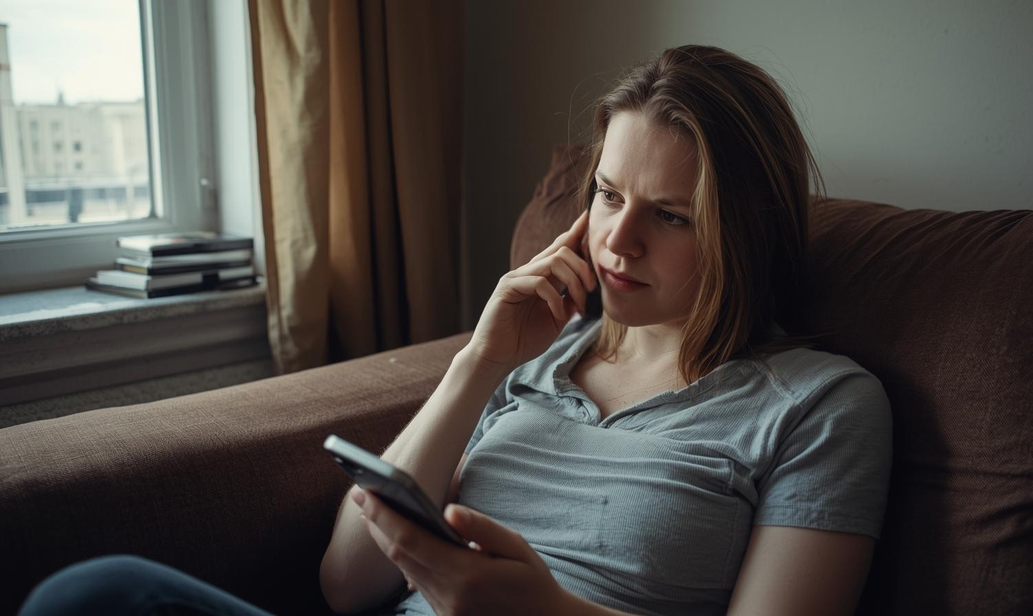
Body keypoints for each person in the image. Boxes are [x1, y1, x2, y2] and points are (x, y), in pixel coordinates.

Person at [18, 44, 891, 616]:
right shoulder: (538, 363)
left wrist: (539, 612)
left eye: (670, 216)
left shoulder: (819, 408)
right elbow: (347, 581)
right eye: (608, 196)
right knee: (94, 594)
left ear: (747, 229)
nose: (616, 242)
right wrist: (480, 359)